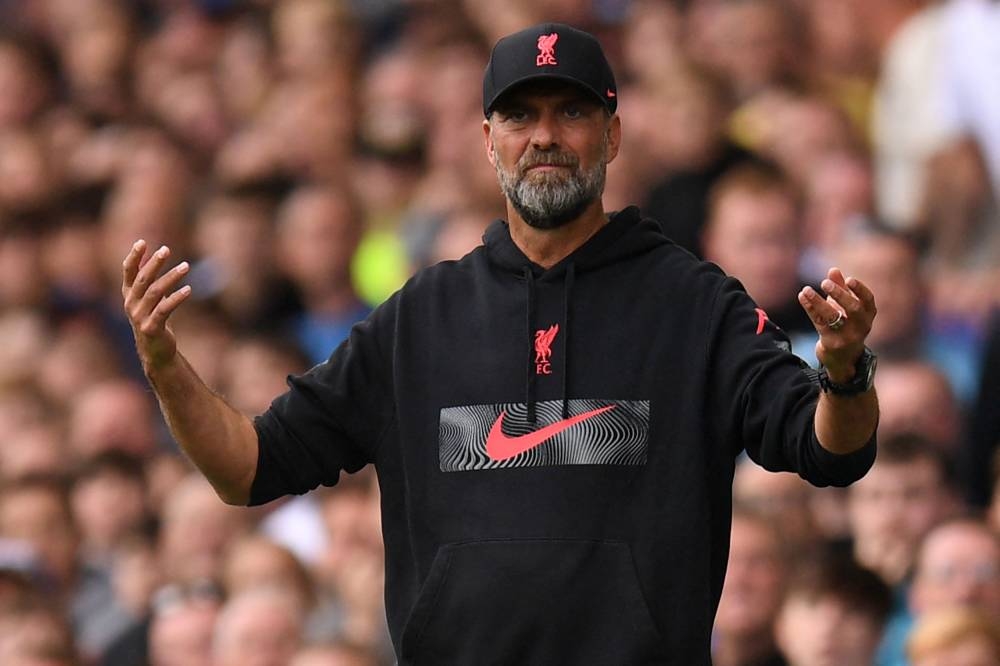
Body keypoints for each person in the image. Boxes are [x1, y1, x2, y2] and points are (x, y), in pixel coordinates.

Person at [121, 23, 880, 664]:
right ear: (488, 141)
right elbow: (248, 469)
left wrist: (842, 375)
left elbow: (829, 451)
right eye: (520, 117)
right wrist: (164, 367)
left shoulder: (694, 302)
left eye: (570, 113)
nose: (545, 136)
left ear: (612, 134)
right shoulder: (419, 316)